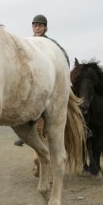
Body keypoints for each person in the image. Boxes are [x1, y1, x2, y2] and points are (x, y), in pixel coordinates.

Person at [14, 14, 70, 147]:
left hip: (51, 82)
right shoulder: (27, 43)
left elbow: (64, 57)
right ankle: (25, 133)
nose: (37, 28)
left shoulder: (51, 45)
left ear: (46, 28)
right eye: (35, 25)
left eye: (40, 26)